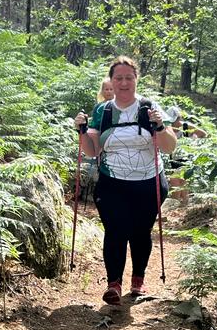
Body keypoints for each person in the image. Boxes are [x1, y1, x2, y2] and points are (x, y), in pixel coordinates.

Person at [74, 56, 177, 304]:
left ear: (136, 79)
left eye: (128, 77)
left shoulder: (149, 108)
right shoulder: (103, 111)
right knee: (115, 231)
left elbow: (169, 147)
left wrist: (160, 127)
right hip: (112, 182)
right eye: (118, 78)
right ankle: (114, 284)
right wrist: (81, 131)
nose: (123, 83)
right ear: (111, 81)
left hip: (149, 182)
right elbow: (92, 151)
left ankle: (138, 280)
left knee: (141, 232)